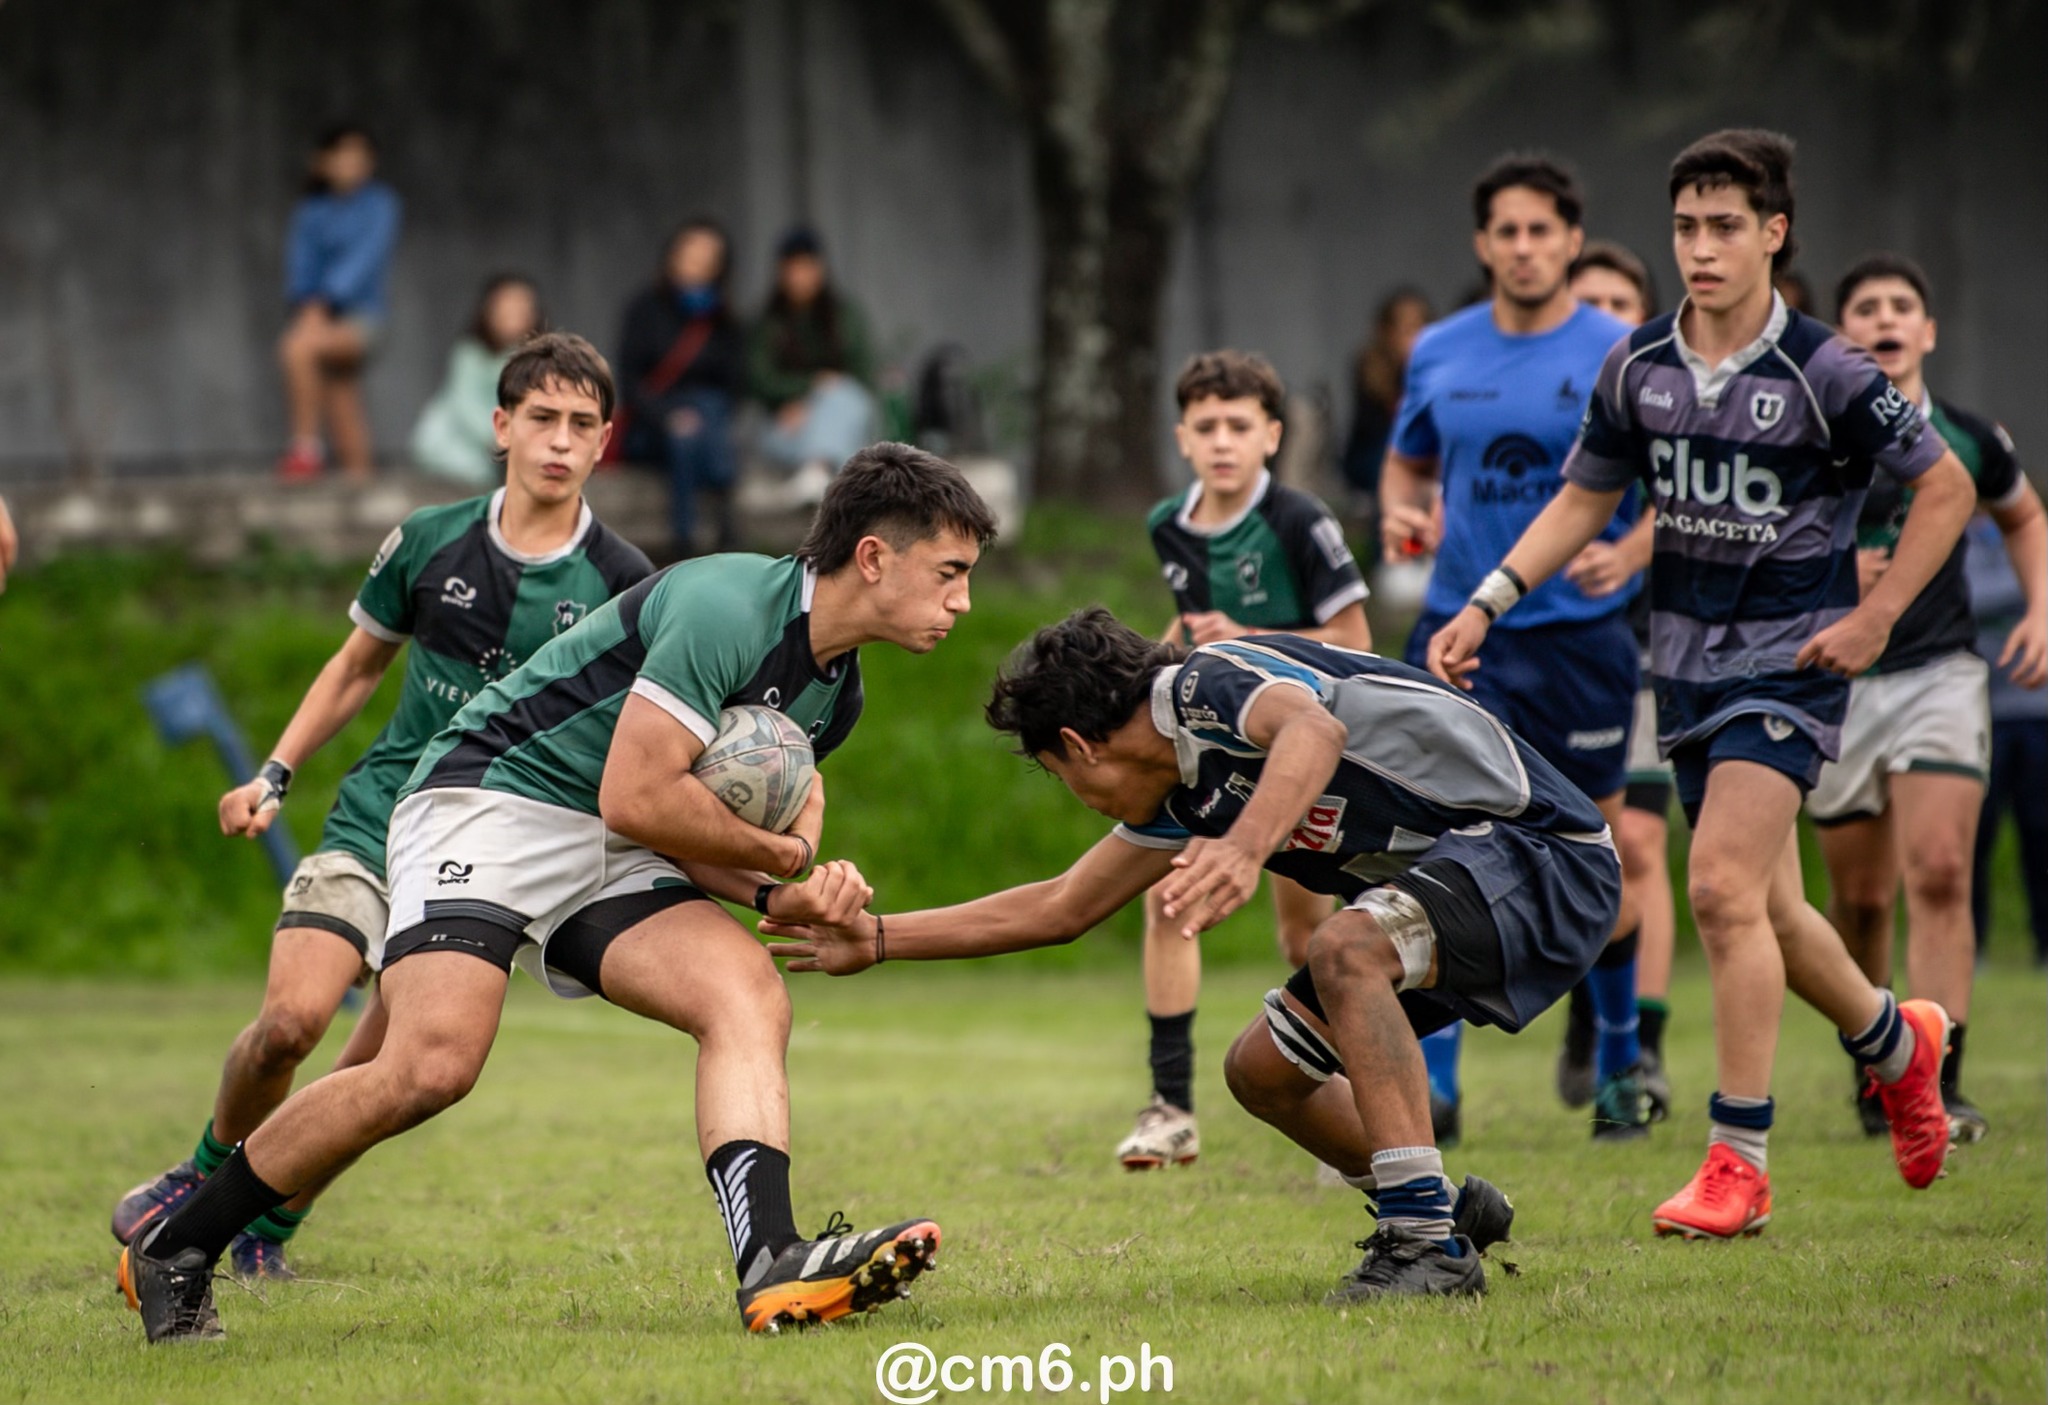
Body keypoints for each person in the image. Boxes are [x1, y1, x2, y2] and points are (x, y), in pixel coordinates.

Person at [119, 444, 998, 1344]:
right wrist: (785, 861)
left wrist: (780, 896)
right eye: (950, 572)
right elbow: (641, 795)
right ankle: (175, 1245)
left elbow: (679, 827)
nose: (963, 601)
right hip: (489, 799)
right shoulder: (725, 604)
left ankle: (772, 1260)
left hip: (611, 843)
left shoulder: (834, 695)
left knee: (745, 993)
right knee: (429, 1067)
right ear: (874, 557)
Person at [1427, 128, 1975, 1240]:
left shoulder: (1824, 369)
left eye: (1725, 226)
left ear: (1773, 233)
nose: (1701, 247)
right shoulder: (1638, 365)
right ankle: (1894, 1041)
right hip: (1677, 666)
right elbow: (1584, 497)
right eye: (1685, 226)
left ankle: (1736, 1160)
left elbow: (1947, 485)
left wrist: (1873, 617)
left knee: (1717, 887)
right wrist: (1487, 596)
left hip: (1790, 664)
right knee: (1769, 906)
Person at [764, 608, 1617, 1300]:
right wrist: (878, 938)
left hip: (1544, 852)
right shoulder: (1183, 787)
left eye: (1065, 779)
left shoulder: (1205, 683)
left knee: (1345, 946)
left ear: (1081, 744)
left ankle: (1423, 1241)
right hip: (1467, 874)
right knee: (1261, 1069)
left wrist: (1247, 849)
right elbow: (1063, 906)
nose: (1084, 799)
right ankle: (1438, 1203)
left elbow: (1312, 730)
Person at [110, 333, 654, 1282]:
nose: (559, 441)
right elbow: (356, 665)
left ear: (604, 442)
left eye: (580, 424)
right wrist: (274, 771)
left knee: (390, 1074)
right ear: (501, 427)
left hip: (484, 852)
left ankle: (264, 1233)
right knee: (290, 1022)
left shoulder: (624, 580)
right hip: (377, 819)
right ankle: (203, 1177)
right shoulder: (429, 539)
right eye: (541, 419)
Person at [1378, 154, 1648, 1144]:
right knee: (1437, 843)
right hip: (1457, 631)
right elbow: (1406, 460)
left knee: (1601, 857)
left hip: (1577, 641)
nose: (1524, 248)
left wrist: (1632, 549)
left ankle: (1620, 1065)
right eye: (1506, 231)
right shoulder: (1440, 350)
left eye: (1542, 230)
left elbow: (1672, 485)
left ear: (1571, 241)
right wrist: (1403, 511)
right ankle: (1437, 1085)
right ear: (1481, 243)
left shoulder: (1623, 348)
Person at [1116, 350, 1371, 1172]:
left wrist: (1254, 642)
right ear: (1181, 438)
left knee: (1308, 939)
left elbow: (1357, 645)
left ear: (1272, 435)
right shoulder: (1170, 524)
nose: (1222, 441)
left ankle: (1352, 1112)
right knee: (1171, 903)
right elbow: (1191, 626)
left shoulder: (1301, 520)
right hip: (1212, 754)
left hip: (1304, 749)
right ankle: (1170, 1106)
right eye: (1206, 426)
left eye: (1239, 425)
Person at [1812, 253, 2045, 1143]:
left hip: (1941, 672)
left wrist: (2041, 610)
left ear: (1928, 330)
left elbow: (2025, 516)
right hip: (1838, 683)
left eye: (1902, 304)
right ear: (1845, 337)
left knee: (1942, 872)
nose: (1886, 317)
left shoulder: (1971, 437)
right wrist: (1839, 576)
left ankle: (1941, 1080)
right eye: (1865, 305)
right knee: (1862, 899)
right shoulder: (1819, 441)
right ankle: (1879, 1064)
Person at [1553, 241, 1677, 1121]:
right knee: (1568, 846)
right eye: (1584, 300)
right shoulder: (1546, 398)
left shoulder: (1671, 393)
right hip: (1547, 651)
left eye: (1616, 304)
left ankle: (1639, 1049)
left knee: (1634, 845)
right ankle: (1588, 1020)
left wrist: (1634, 551)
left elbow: (1698, 499)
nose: (1599, 319)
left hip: (1648, 648)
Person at [276, 122, 402, 483]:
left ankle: (305, 449)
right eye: (342, 156)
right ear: (322, 162)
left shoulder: (380, 205)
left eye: (359, 157)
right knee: (340, 395)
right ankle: (360, 480)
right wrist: (309, 305)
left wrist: (323, 304)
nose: (351, 164)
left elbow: (362, 262)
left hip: (363, 319)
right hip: (317, 315)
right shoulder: (310, 211)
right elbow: (300, 268)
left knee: (297, 349)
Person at [617, 219, 746, 555]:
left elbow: (735, 385)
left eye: (708, 258)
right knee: (687, 429)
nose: (697, 265)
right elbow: (629, 382)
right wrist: (667, 416)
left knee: (704, 410)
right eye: (691, 254)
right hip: (653, 427)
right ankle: (703, 534)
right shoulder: (645, 310)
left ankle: (692, 538)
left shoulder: (724, 319)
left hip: (708, 424)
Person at [1967, 513, 2048, 966]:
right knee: (1972, 839)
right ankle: (1971, 947)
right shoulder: (1952, 538)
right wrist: (2032, 598)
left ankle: (2044, 946)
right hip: (1979, 713)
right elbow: (1961, 598)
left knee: (2041, 834)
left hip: (2039, 712)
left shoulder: (2038, 535)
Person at [749, 227, 879, 506]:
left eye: (806, 267)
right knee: (842, 435)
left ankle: (816, 470)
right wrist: (808, 388)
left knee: (843, 395)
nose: (800, 278)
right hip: (788, 424)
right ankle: (824, 473)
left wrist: (820, 399)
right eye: (792, 269)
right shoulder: (769, 323)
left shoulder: (845, 316)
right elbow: (758, 379)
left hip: (843, 415)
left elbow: (864, 377)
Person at [408, 274, 544, 486]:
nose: (512, 314)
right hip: (465, 437)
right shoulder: (470, 355)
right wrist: (495, 437)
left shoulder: (539, 361)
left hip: (514, 440)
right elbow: (465, 406)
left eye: (521, 307)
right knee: (473, 471)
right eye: (505, 307)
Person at [1339, 288, 1433, 507]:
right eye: (1406, 328)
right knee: (1388, 471)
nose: (1414, 337)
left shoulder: (1439, 369)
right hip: (1373, 455)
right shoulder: (1371, 367)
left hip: (1421, 453)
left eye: (1420, 326)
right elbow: (1375, 429)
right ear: (1387, 332)